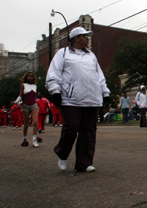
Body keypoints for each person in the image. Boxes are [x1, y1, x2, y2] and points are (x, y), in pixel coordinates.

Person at [46, 27, 110, 172]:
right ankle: (62, 153)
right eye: (85, 36)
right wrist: (55, 91)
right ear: (76, 38)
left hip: (91, 99)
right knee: (71, 127)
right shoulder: (63, 53)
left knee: (88, 131)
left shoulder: (91, 56)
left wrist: (105, 93)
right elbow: (53, 73)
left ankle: (84, 163)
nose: (87, 39)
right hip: (71, 99)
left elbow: (99, 76)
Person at [14, 71, 41, 147]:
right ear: (26, 77)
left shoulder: (35, 86)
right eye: (29, 76)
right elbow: (20, 95)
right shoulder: (23, 85)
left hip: (34, 105)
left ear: (33, 78)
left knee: (35, 122)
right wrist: (15, 102)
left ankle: (34, 140)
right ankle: (24, 139)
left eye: (31, 76)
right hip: (26, 106)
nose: (30, 77)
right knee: (26, 124)